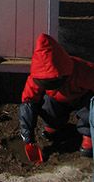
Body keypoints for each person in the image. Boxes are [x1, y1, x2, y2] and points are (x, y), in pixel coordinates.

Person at [19, 32, 94, 161]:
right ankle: (54, 125)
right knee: (47, 104)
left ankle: (88, 134)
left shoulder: (84, 71)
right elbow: (28, 103)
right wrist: (27, 136)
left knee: (91, 107)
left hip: (82, 99)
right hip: (58, 101)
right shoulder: (35, 78)